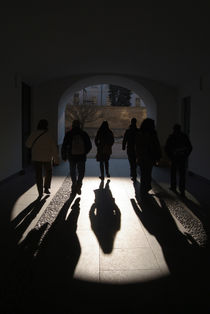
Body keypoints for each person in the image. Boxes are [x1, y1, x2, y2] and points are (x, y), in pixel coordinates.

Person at [25, 119, 59, 198]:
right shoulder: (49, 135)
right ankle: (46, 188)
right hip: (47, 158)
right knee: (49, 172)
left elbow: (28, 145)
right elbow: (54, 148)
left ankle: (40, 192)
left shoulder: (34, 134)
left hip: (36, 158)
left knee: (38, 175)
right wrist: (56, 159)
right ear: (46, 125)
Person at [61, 119, 92, 195]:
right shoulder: (84, 133)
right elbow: (89, 146)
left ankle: (74, 184)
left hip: (72, 156)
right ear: (80, 125)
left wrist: (64, 155)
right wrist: (84, 152)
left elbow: (64, 145)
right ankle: (79, 184)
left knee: (72, 171)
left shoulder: (69, 134)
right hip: (81, 156)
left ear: (72, 125)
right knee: (81, 171)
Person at [135, 118, 162, 196]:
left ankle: (144, 189)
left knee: (144, 174)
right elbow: (156, 145)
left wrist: (138, 155)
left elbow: (137, 146)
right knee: (148, 173)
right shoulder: (153, 133)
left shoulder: (140, 133)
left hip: (142, 156)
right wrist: (158, 155)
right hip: (150, 156)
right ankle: (146, 188)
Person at [164, 123, 192, 197]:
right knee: (182, 174)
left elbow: (166, 148)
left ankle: (173, 187)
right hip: (182, 158)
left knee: (173, 173)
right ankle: (182, 189)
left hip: (174, 158)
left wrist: (170, 156)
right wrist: (185, 155)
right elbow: (189, 147)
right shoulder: (184, 137)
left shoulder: (171, 137)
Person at [122, 117, 138, 182]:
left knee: (131, 162)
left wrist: (123, 146)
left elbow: (125, 139)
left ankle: (133, 174)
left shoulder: (128, 131)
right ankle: (134, 174)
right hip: (137, 149)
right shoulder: (138, 131)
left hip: (130, 148)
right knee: (135, 162)